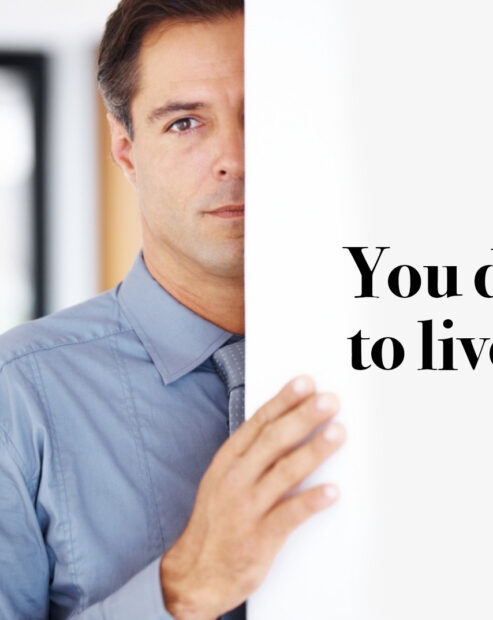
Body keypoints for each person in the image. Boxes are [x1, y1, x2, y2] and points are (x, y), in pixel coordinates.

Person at [0, 1, 346, 618]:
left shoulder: (406, 357)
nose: (235, 159)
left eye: (261, 114)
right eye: (185, 122)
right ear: (127, 150)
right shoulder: (18, 395)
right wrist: (185, 589)